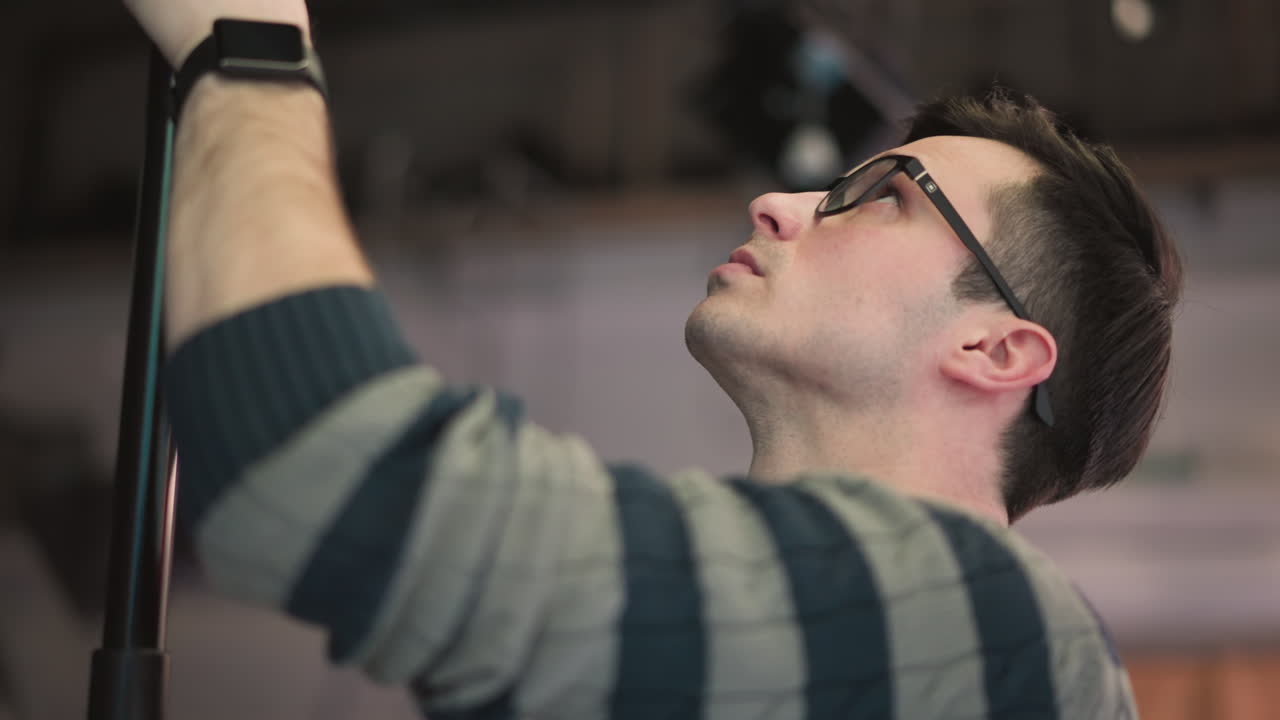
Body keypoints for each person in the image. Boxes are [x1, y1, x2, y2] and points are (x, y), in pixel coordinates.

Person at [125, 0, 1181, 717]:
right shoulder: (787, 653)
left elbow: (330, 479)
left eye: (881, 196)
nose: (779, 201)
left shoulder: (1013, 640)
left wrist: (245, 45)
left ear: (994, 346)